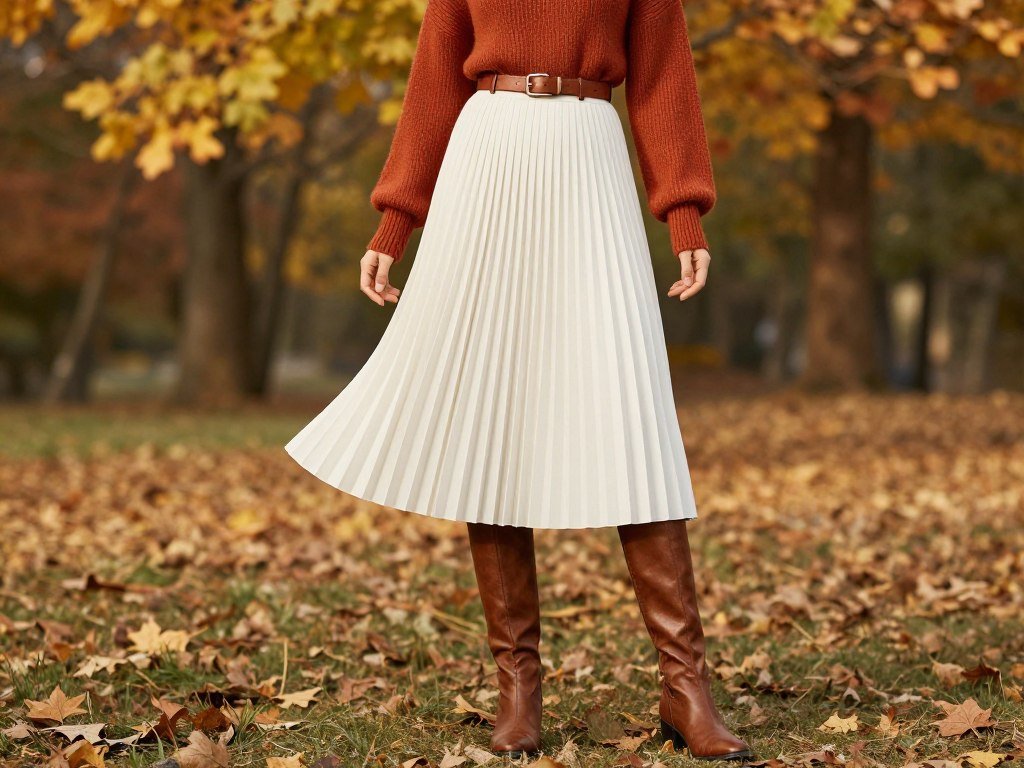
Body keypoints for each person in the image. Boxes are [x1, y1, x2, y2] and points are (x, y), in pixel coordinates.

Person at [285, 0, 753, 761]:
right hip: (488, 151)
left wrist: (683, 211)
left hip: (591, 154)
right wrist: (395, 218)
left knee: (629, 406)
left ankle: (685, 686)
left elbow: (665, 75)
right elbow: (435, 76)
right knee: (490, 418)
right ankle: (519, 689)